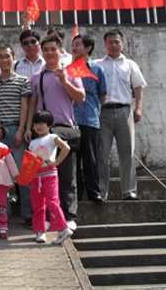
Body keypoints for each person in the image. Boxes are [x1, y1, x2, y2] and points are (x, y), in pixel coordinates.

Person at [26, 35, 85, 230]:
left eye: (54, 49)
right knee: (44, 176)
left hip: (65, 129)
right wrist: (28, 128)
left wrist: (65, 81)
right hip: (43, 132)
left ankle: (69, 216)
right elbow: (33, 104)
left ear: (61, 51)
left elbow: (81, 98)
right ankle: (50, 217)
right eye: (46, 50)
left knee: (67, 175)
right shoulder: (37, 77)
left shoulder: (71, 73)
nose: (50, 53)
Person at [95, 29, 146, 201]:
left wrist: (138, 109)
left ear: (122, 43)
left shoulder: (130, 64)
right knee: (102, 154)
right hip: (103, 113)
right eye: (110, 42)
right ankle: (101, 192)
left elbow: (138, 87)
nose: (114, 45)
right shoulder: (98, 64)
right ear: (105, 44)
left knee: (127, 153)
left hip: (125, 112)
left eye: (117, 42)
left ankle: (129, 191)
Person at [0, 44, 33, 229]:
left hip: (16, 129)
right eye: (0, 57)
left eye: (7, 56)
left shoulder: (23, 80)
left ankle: (29, 214)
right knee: (0, 177)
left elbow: (25, 106)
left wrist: (22, 130)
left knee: (23, 175)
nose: (4, 60)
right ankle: (2, 215)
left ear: (13, 58)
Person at [28, 110, 74, 245]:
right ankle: (40, 231)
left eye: (42, 123)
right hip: (36, 176)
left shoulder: (52, 137)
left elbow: (66, 148)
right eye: (36, 123)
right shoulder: (32, 143)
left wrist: (56, 162)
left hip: (49, 174)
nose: (38, 126)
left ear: (49, 125)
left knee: (52, 202)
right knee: (37, 205)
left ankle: (62, 228)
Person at [71, 34, 107, 203]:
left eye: (78, 44)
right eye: (73, 44)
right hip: (71, 120)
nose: (74, 47)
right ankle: (76, 193)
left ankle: (94, 192)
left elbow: (103, 94)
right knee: (73, 161)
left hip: (90, 119)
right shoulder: (68, 69)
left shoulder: (97, 69)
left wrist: (93, 110)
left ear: (88, 48)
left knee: (90, 158)